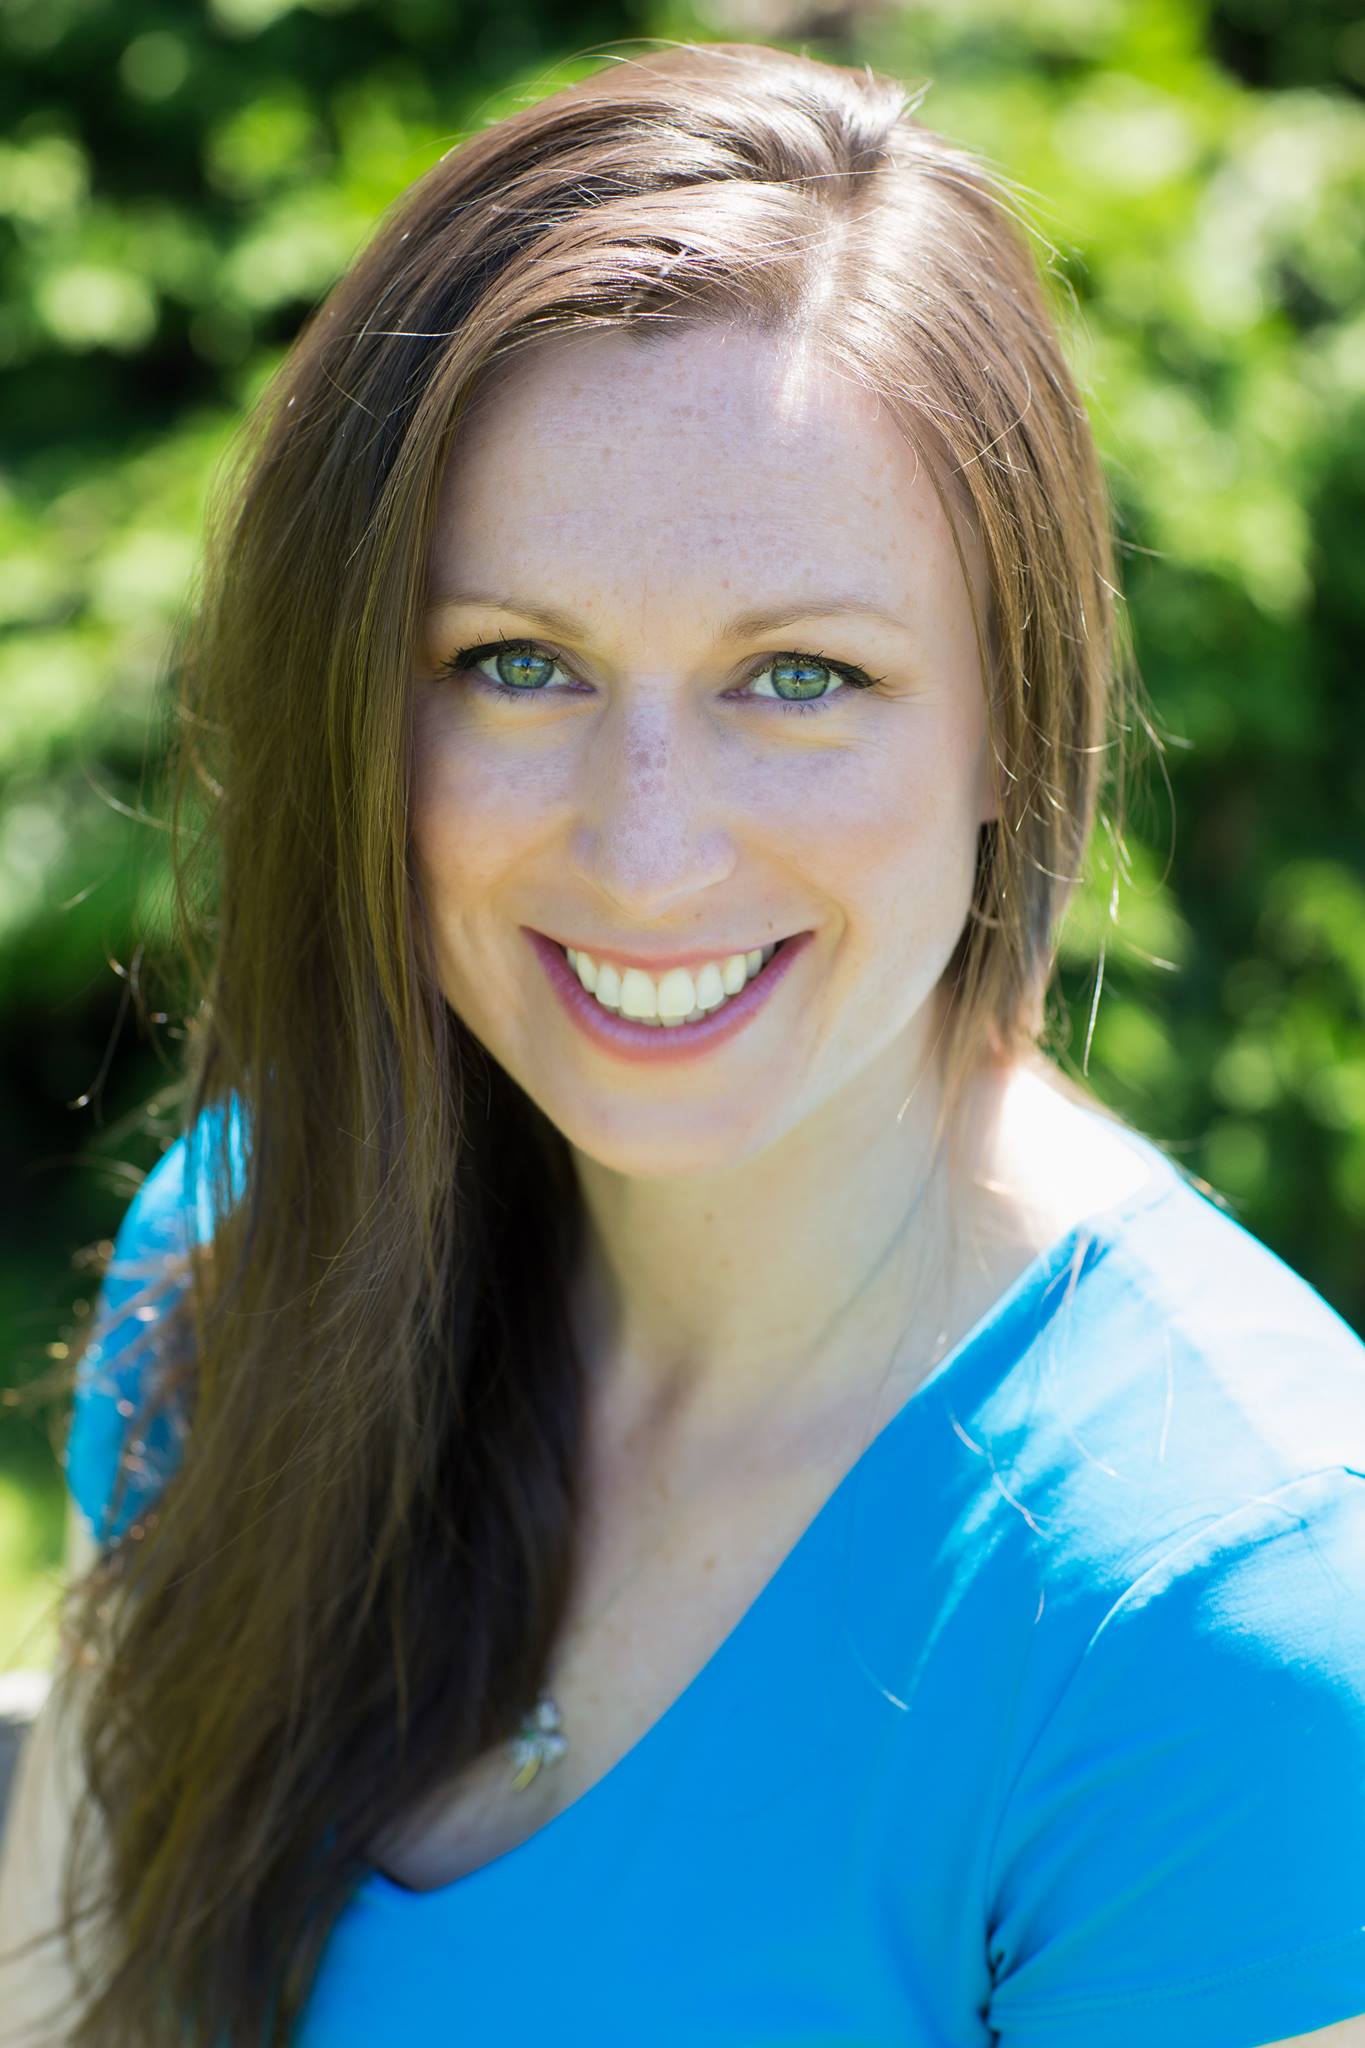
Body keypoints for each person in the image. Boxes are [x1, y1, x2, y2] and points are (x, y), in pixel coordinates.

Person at [2, 38, 1363, 2048]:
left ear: (1010, 726)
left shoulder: (1232, 1618)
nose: (644, 848)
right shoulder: (252, 1251)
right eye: (514, 664)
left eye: (798, 674)